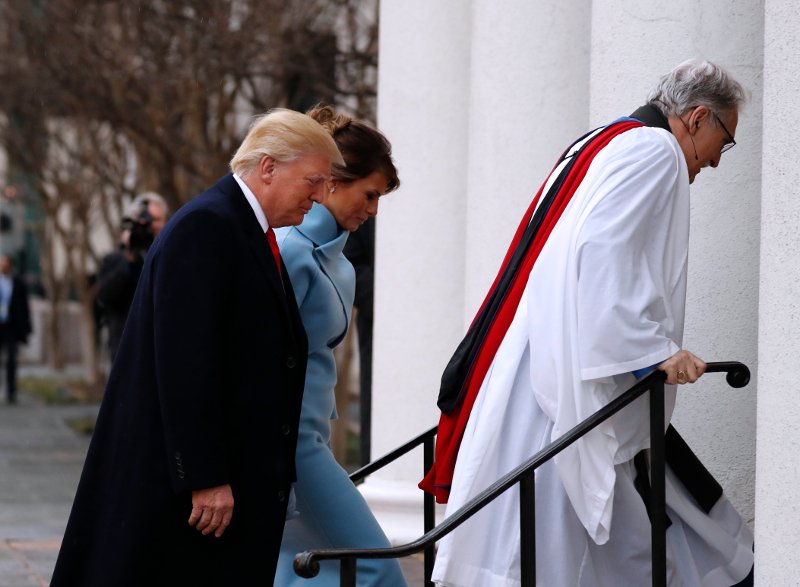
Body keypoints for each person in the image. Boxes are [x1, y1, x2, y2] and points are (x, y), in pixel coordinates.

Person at [422, 59, 754, 586]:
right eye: (725, 141)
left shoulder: (606, 139)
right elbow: (602, 254)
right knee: (566, 539)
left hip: (543, 355)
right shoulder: (655, 151)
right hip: (564, 378)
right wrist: (652, 352)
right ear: (696, 118)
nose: (715, 161)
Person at [50, 108, 344, 587]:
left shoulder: (242, 227)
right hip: (191, 496)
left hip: (228, 483)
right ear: (268, 167)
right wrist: (204, 476)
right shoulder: (208, 226)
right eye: (312, 181)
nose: (317, 196)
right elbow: (185, 364)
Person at [273, 105, 406, 586]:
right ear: (331, 182)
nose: (373, 211)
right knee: (375, 569)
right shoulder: (290, 250)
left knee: (301, 571)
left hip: (313, 438)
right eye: (369, 195)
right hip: (291, 446)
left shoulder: (336, 259)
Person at [95, 192, 169, 361]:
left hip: (162, 346)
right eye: (146, 220)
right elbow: (106, 296)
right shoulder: (117, 259)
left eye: (156, 220)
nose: (150, 226)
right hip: (126, 348)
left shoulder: (171, 256)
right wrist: (129, 258)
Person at [0, 254, 31, 405]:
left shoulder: (18, 283)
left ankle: (11, 391)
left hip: (11, 326)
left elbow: (24, 307)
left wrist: (26, 328)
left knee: (11, 359)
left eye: (5, 263)